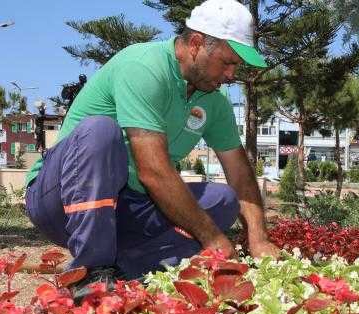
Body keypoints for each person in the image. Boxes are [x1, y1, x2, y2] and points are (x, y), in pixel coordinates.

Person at [24, 0, 279, 297]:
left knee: (222, 200)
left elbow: (239, 172)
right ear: (196, 43)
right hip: (60, 200)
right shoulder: (144, 68)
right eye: (227, 62)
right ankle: (90, 272)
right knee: (101, 131)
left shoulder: (213, 101)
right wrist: (212, 239)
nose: (232, 75)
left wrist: (258, 238)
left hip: (126, 209)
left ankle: (124, 270)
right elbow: (154, 172)